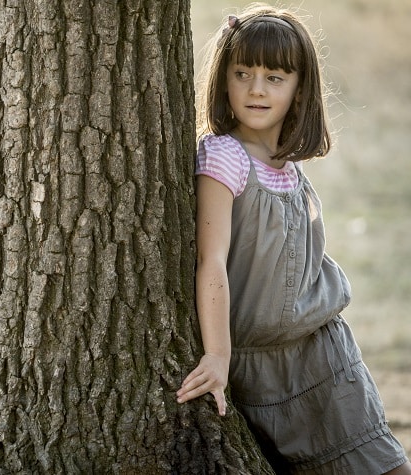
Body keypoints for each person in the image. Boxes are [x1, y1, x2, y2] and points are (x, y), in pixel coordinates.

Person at [176, 4, 411, 474]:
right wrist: (218, 356)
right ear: (224, 80)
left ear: (300, 89)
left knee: (385, 467)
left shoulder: (290, 168)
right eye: (242, 73)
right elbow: (212, 261)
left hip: (322, 358)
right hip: (254, 365)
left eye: (275, 77)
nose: (256, 89)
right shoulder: (225, 157)